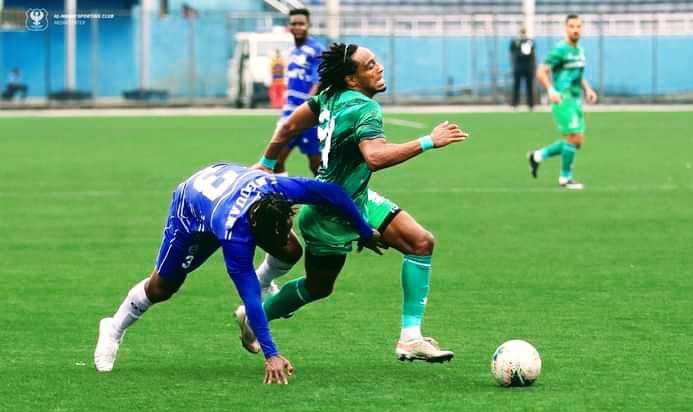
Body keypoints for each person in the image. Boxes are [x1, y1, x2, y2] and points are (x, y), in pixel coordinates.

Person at [242, 43, 469, 364]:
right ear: (351, 79)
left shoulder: (329, 96)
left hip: (357, 197)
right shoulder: (366, 109)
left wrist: (267, 162)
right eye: (370, 65)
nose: (379, 68)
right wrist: (428, 141)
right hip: (329, 215)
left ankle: (410, 339)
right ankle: (254, 316)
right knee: (318, 287)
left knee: (420, 243)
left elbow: (289, 126)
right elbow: (374, 157)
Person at [93, 163, 385, 384]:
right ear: (256, 231)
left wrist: (363, 230)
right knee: (162, 288)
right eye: (276, 234)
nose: (285, 234)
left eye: (286, 226)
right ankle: (113, 328)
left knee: (290, 250)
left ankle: (268, 280)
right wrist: (271, 354)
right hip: (191, 210)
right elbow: (250, 298)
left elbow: (332, 192)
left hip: (225, 188)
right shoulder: (236, 238)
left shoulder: (278, 189)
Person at [529, 15, 598, 190]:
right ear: (566, 28)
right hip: (562, 98)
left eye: (578, 26)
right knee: (573, 138)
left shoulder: (580, 50)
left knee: (577, 141)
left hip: (575, 99)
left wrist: (588, 89)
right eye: (572, 26)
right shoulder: (560, 50)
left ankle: (537, 156)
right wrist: (551, 90)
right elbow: (541, 71)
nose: (575, 30)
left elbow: (578, 75)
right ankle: (565, 178)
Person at [273, 8, 325, 176]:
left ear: (309, 25)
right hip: (290, 112)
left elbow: (318, 81)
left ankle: (331, 193)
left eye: (301, 24)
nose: (297, 27)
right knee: (275, 161)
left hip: (308, 114)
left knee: (316, 165)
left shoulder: (316, 50)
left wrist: (307, 108)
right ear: (289, 26)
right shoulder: (293, 51)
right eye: (294, 24)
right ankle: (283, 193)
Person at [510, 27, 536, 110]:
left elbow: (533, 54)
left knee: (529, 85)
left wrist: (533, 66)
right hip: (518, 66)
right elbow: (511, 53)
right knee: (516, 85)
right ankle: (515, 104)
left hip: (528, 66)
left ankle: (531, 104)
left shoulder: (530, 41)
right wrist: (513, 64)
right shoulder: (515, 41)